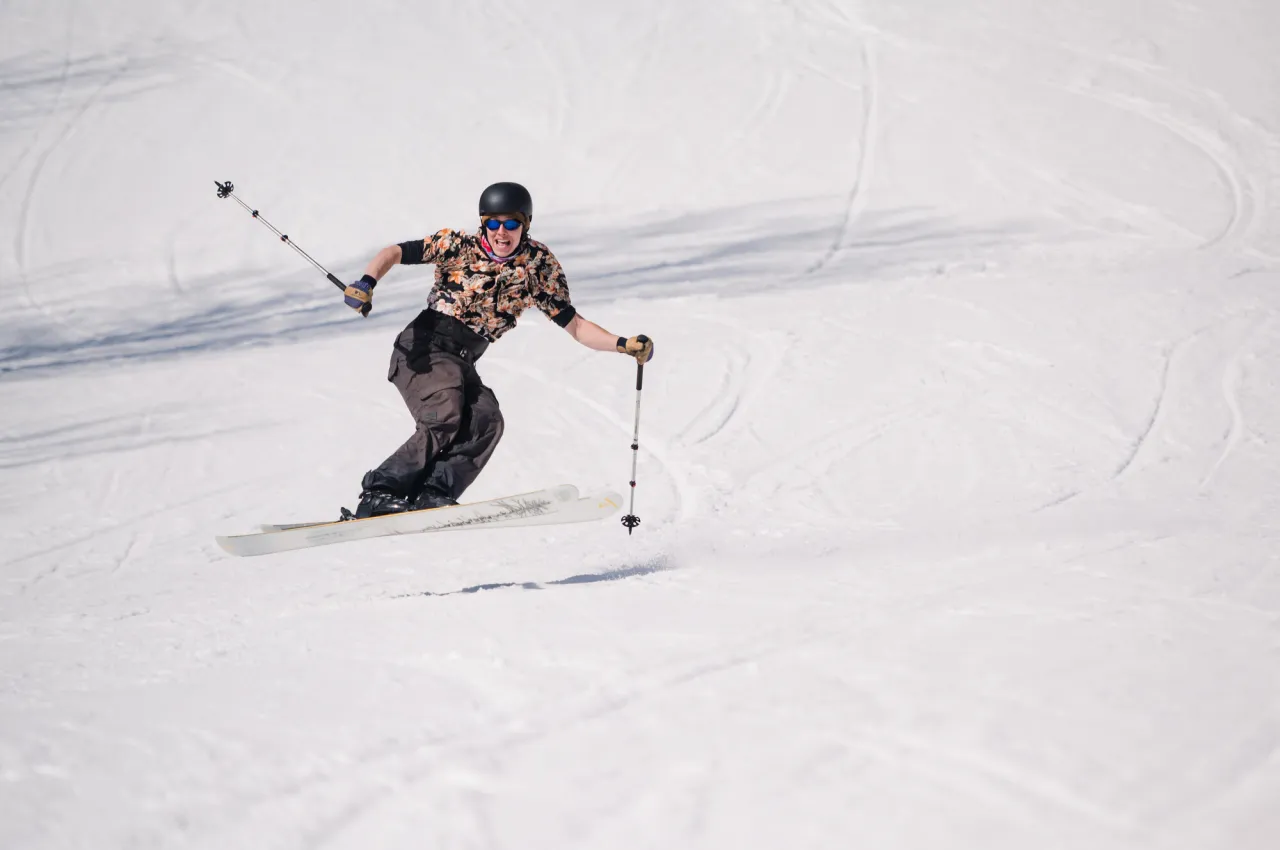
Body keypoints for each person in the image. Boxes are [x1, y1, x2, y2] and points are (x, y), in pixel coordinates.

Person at [340, 181, 653, 519]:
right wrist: (367, 282)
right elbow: (394, 253)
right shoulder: (457, 246)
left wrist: (622, 345)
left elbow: (575, 325)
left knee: (486, 422)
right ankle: (380, 491)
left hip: (463, 360)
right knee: (444, 416)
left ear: (526, 224)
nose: (501, 232)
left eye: (511, 223)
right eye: (493, 223)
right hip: (423, 348)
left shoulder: (537, 266)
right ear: (483, 223)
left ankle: (435, 492)